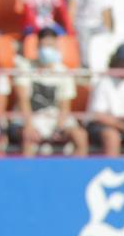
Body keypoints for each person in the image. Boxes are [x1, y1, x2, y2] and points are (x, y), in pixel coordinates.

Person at [11, 28, 88, 156]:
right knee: (29, 137)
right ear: (37, 47)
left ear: (57, 47)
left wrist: (59, 127)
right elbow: (23, 100)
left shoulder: (64, 72)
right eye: (44, 46)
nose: (47, 49)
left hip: (54, 119)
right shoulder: (25, 67)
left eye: (50, 46)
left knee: (80, 136)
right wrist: (29, 125)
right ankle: (26, 174)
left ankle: (76, 174)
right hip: (29, 118)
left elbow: (65, 106)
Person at [89, 44, 124, 156]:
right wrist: (122, 126)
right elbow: (99, 116)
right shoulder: (104, 82)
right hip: (102, 125)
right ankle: (111, 170)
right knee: (112, 137)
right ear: (116, 62)